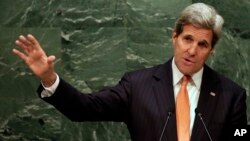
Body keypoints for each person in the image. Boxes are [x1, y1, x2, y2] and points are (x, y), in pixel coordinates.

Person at [12, 2, 247, 141]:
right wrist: (49, 78)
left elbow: (241, 135)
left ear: (211, 50)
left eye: (202, 44)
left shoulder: (231, 94)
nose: (192, 50)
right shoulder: (138, 85)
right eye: (187, 39)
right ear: (174, 37)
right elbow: (83, 108)